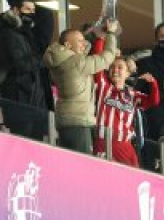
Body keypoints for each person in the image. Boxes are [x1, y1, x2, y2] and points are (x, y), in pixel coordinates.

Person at [44, 20, 119, 154]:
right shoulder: (76, 62)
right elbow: (106, 58)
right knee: (82, 165)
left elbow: (84, 50)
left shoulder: (60, 60)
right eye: (79, 41)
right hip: (79, 120)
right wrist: (111, 34)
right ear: (67, 45)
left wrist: (96, 36)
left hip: (65, 119)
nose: (84, 43)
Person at [92, 41, 159, 167]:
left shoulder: (133, 94)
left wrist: (153, 83)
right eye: (112, 67)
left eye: (120, 67)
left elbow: (153, 101)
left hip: (124, 146)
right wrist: (100, 39)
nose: (115, 70)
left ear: (128, 73)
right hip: (102, 142)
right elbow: (98, 60)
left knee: (130, 182)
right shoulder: (103, 87)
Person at [0, 0, 47, 140]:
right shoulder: (9, 34)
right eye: (27, 9)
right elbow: (20, 65)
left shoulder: (26, 34)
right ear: (16, 10)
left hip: (32, 102)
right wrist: (42, 60)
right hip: (19, 101)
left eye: (33, 10)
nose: (31, 13)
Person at [0, 0, 55, 111]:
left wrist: (22, 26)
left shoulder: (43, 14)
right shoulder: (5, 17)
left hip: (36, 83)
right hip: (12, 84)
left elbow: (41, 46)